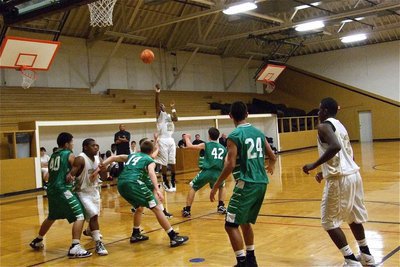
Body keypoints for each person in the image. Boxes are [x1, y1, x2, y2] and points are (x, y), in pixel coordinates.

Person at [302, 97, 375, 267]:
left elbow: (335, 147)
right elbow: (347, 155)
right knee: (354, 218)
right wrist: (323, 171)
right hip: (353, 175)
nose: (318, 113)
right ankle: (366, 255)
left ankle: (350, 260)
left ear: (325, 111)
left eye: (319, 109)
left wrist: (314, 164)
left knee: (328, 222)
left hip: (340, 179)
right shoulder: (340, 125)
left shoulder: (323, 126)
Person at [210, 101, 276, 267]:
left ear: (230, 116)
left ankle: (241, 262)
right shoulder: (258, 133)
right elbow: (272, 155)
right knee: (245, 221)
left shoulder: (234, 136)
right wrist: (271, 165)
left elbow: (230, 165)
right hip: (262, 183)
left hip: (246, 183)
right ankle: (251, 259)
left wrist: (217, 184)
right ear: (247, 114)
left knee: (230, 224)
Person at [100, 140, 189, 247]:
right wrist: (157, 189)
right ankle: (173, 237)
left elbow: (114, 158)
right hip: (134, 183)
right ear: (151, 151)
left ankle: (136, 233)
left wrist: (101, 165)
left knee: (140, 207)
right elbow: (152, 172)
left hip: (121, 183)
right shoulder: (149, 159)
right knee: (156, 208)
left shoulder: (132, 156)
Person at [30, 132, 92, 258]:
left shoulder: (53, 155)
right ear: (66, 144)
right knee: (80, 216)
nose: (73, 144)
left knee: (52, 216)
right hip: (63, 189)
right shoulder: (68, 154)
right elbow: (78, 166)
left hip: (51, 189)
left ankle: (38, 239)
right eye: (72, 142)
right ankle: (75, 246)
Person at [70, 138, 108, 256]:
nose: (96, 147)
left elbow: (105, 178)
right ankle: (98, 243)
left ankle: (89, 231)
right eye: (93, 146)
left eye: (97, 145)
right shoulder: (80, 159)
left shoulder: (99, 159)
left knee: (94, 215)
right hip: (81, 191)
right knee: (93, 215)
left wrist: (103, 170)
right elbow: (71, 176)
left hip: (94, 190)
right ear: (85, 147)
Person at [182, 128, 227, 218]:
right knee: (222, 186)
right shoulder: (223, 148)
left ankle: (187, 210)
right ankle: (221, 206)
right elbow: (226, 163)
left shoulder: (206, 145)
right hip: (218, 172)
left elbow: (190, 146)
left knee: (193, 187)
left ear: (209, 136)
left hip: (207, 171)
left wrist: (187, 138)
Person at [137, 136, 173, 218]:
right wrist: (158, 148)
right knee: (153, 193)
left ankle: (162, 211)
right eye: (148, 142)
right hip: (139, 178)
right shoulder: (144, 155)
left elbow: (154, 148)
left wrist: (157, 140)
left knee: (154, 192)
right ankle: (137, 207)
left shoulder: (140, 153)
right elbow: (153, 155)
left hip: (143, 177)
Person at [155, 84, 178, 192]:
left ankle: (173, 179)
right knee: (164, 162)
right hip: (162, 139)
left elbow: (176, 119)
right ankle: (165, 180)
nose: (162, 105)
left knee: (172, 161)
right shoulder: (160, 116)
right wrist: (157, 93)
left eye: (163, 105)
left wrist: (173, 108)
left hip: (170, 139)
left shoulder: (168, 115)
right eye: (161, 105)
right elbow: (156, 103)